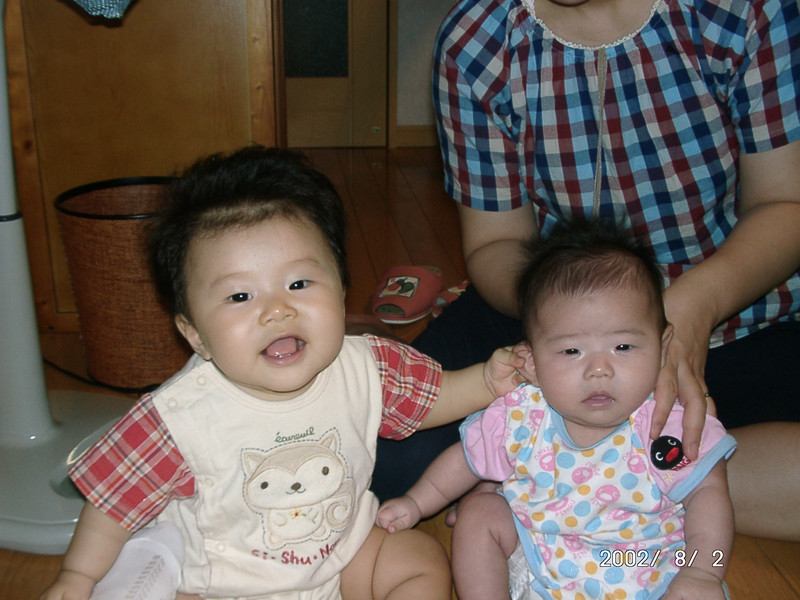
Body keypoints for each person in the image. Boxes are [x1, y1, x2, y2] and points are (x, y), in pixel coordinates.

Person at [372, 0, 800, 540]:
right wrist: (567, 318)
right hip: (553, 310)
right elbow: (497, 243)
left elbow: (785, 204)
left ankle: (569, 479)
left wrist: (693, 306)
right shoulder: (476, 40)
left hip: (741, 310)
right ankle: (629, 476)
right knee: (384, 460)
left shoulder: (743, 12)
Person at [39, 146, 526, 600]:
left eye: (298, 283)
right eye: (240, 296)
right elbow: (114, 501)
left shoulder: (366, 365)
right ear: (195, 334)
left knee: (420, 561)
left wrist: (487, 381)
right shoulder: (178, 415)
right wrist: (77, 576)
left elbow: (435, 397)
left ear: (340, 293)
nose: (277, 310)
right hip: (227, 584)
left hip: (343, 553)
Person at [377, 220, 736, 600]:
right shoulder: (523, 415)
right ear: (531, 362)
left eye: (623, 347)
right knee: (479, 513)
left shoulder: (665, 422)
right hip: (541, 561)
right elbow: (465, 460)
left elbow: (708, 495)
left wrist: (703, 572)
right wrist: (417, 502)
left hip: (650, 571)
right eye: (571, 351)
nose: (599, 369)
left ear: (663, 349)